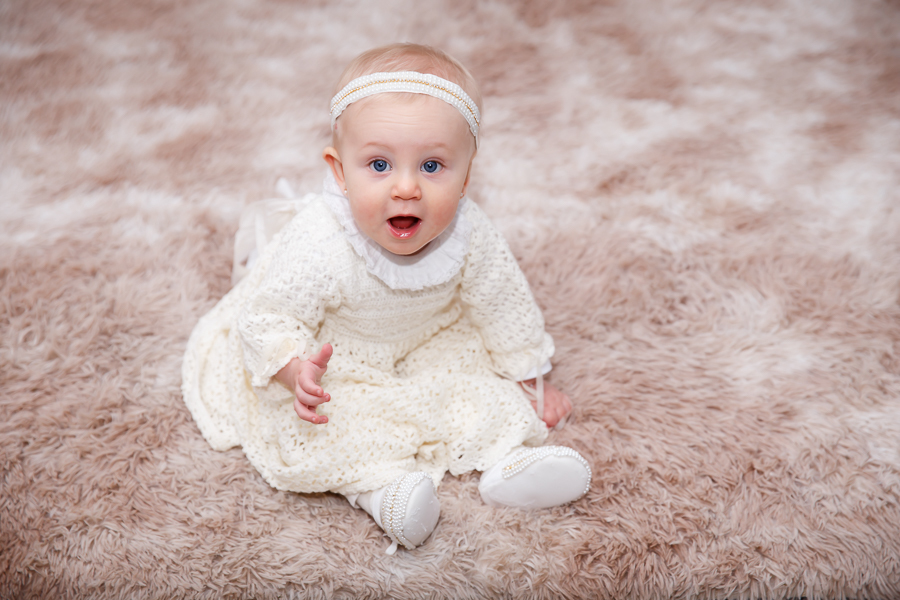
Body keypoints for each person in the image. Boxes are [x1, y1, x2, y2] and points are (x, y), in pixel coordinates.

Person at [181, 43, 591, 554]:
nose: (405, 187)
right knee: (328, 424)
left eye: (433, 166)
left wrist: (532, 379)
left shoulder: (469, 233)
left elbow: (503, 303)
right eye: (378, 164)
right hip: (336, 353)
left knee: (475, 388)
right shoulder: (320, 242)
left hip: (431, 338)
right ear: (339, 171)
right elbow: (270, 317)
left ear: (466, 175)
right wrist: (294, 370)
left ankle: (507, 463)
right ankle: (383, 492)